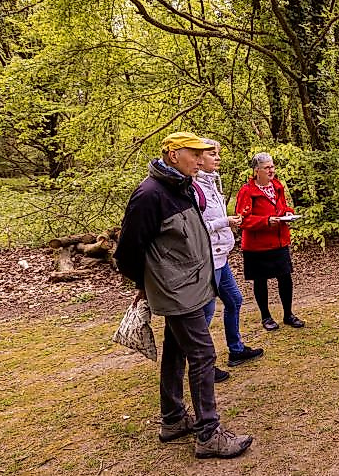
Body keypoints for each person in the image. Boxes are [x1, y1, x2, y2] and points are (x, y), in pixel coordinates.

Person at [114, 132, 253, 459]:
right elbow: (127, 251)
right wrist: (144, 284)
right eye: (195, 153)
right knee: (203, 355)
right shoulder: (150, 194)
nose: (201, 159)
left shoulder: (181, 186)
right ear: (174, 154)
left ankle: (173, 419)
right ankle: (208, 434)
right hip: (176, 289)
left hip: (189, 284)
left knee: (177, 350)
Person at [194, 139, 264, 371]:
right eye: (212, 154)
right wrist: (224, 221)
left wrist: (228, 223)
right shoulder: (193, 187)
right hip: (207, 259)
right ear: (198, 157)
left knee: (234, 300)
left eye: (218, 154)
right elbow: (195, 227)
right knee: (207, 311)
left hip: (220, 255)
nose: (217, 158)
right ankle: (203, 365)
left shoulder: (212, 184)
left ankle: (236, 350)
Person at [235, 152, 303, 331]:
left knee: (285, 277)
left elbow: (281, 206)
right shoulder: (247, 191)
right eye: (267, 167)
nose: (271, 170)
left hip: (279, 241)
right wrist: (265, 221)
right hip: (257, 245)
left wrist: (287, 212)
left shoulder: (277, 186)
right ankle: (266, 317)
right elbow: (242, 220)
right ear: (256, 170)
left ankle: (288, 314)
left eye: (272, 166)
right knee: (260, 281)